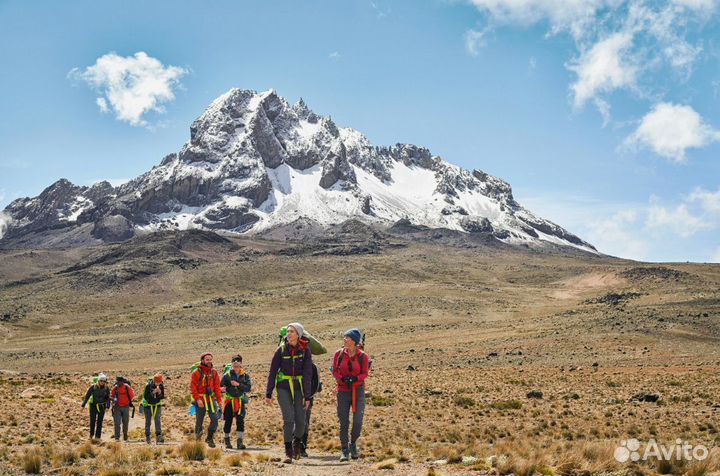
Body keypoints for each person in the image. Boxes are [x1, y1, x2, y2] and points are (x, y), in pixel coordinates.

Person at [265, 322, 313, 463]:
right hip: (283, 387)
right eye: (288, 331)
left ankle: (296, 443)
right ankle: (288, 451)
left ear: (298, 334)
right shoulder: (280, 350)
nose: (289, 333)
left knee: (301, 422)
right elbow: (272, 372)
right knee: (289, 419)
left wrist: (308, 395)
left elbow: (308, 374)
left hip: (299, 388)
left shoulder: (305, 351)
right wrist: (269, 393)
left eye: (292, 331)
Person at [332, 328, 370, 461]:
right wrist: (341, 379)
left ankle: (353, 443)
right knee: (344, 422)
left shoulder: (363, 356)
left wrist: (356, 379)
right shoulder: (338, 354)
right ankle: (344, 450)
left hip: (357, 391)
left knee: (358, 421)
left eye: (347, 338)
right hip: (342, 391)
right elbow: (334, 370)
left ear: (353, 341)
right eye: (344, 337)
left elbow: (365, 373)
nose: (344, 340)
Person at [190, 352, 222, 447]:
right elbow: (193, 387)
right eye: (207, 359)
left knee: (215, 419)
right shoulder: (196, 372)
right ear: (203, 360)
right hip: (200, 400)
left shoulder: (214, 372)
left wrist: (219, 400)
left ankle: (209, 438)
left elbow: (217, 387)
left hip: (211, 399)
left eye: (210, 359)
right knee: (199, 420)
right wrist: (198, 399)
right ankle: (198, 440)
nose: (209, 361)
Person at [221, 354, 252, 449]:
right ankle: (227, 441)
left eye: (238, 360)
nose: (236, 362)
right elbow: (221, 386)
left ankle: (240, 442)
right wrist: (222, 389)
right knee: (228, 421)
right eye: (234, 360)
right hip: (229, 401)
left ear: (241, 363)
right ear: (231, 363)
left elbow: (248, 388)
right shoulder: (227, 375)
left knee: (240, 420)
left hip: (240, 401)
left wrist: (238, 384)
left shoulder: (245, 376)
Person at [81, 373, 110, 440]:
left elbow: (108, 397)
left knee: (100, 422)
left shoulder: (106, 388)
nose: (102, 382)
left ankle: (98, 437)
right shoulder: (93, 387)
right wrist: (83, 405)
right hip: (93, 406)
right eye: (101, 381)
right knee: (92, 420)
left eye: (104, 381)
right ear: (98, 380)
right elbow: (87, 396)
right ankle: (91, 435)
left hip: (102, 406)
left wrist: (108, 406)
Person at [141, 373, 165, 444]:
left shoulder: (161, 386)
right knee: (148, 421)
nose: (159, 383)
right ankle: (148, 436)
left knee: (157, 420)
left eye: (160, 382)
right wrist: (153, 392)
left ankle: (159, 436)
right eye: (158, 382)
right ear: (154, 381)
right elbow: (146, 396)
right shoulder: (148, 386)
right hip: (148, 406)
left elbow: (162, 397)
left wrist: (160, 393)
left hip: (157, 405)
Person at [111, 376, 135, 442]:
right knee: (117, 422)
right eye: (117, 382)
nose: (118, 383)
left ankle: (125, 436)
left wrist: (128, 401)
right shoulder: (115, 388)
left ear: (122, 381)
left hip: (126, 407)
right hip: (117, 407)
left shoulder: (127, 387)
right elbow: (111, 396)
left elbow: (132, 395)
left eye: (119, 382)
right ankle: (117, 437)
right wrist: (113, 400)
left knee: (125, 422)